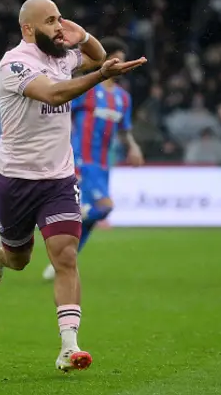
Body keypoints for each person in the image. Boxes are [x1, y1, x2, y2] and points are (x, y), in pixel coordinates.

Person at [0, 0, 146, 372]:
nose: (57, 27)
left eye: (60, 19)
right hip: (15, 179)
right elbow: (55, 93)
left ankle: (69, 347)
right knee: (19, 258)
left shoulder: (62, 56)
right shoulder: (15, 64)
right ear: (27, 28)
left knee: (66, 256)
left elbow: (98, 57)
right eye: (50, 21)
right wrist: (101, 74)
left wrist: (83, 35)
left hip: (58, 177)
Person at [42, 37, 145, 280]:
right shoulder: (86, 88)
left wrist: (134, 147)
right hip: (81, 161)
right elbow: (60, 110)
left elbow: (123, 129)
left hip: (103, 165)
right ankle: (65, 222)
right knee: (104, 207)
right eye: (116, 58)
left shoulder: (123, 98)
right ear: (106, 59)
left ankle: (61, 262)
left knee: (91, 219)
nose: (121, 64)